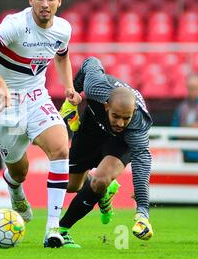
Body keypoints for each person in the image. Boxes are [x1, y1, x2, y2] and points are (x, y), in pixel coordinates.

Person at [0, 0, 82, 248]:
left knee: (60, 148)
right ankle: (15, 188)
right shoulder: (16, 25)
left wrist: (68, 86)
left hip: (36, 96)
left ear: (59, 2)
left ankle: (53, 229)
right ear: (30, 0)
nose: (45, 4)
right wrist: (0, 84)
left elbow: (62, 55)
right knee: (19, 170)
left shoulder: (63, 29)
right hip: (5, 101)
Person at [57, 56, 154, 248]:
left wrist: (142, 210)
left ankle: (61, 230)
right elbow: (90, 61)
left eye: (125, 118)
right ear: (106, 105)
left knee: (101, 179)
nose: (120, 123)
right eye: (116, 116)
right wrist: (73, 95)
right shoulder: (95, 86)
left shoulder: (137, 125)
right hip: (90, 132)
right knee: (71, 186)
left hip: (119, 143)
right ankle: (103, 191)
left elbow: (142, 165)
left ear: (133, 112)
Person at [171, 74, 198, 162]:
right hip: (186, 153)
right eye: (190, 88)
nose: (193, 91)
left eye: (195, 87)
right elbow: (174, 131)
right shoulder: (181, 108)